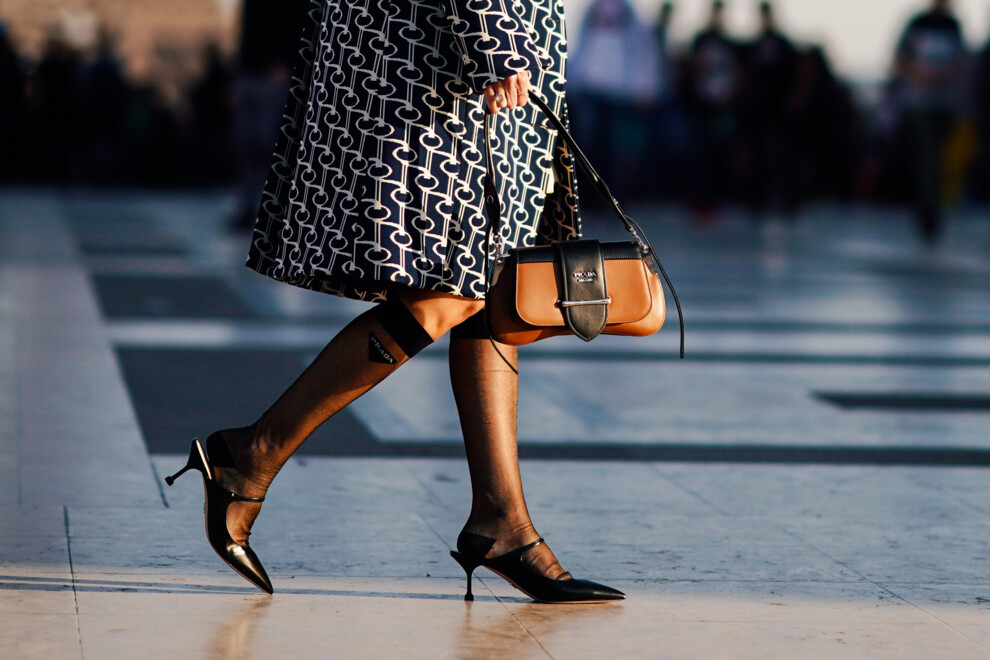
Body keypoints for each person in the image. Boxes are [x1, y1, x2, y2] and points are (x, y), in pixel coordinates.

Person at [166, 0, 624, 604]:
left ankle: (503, 520)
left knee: (489, 289)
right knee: (452, 290)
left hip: (464, 63)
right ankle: (252, 454)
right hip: (444, 67)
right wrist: (500, 41)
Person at [894, 0, 967, 242]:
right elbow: (901, 57)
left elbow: (961, 61)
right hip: (920, 101)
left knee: (940, 158)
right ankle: (927, 212)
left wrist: (944, 76)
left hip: (945, 102)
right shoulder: (918, 23)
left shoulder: (953, 26)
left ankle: (933, 208)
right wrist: (919, 76)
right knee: (926, 156)